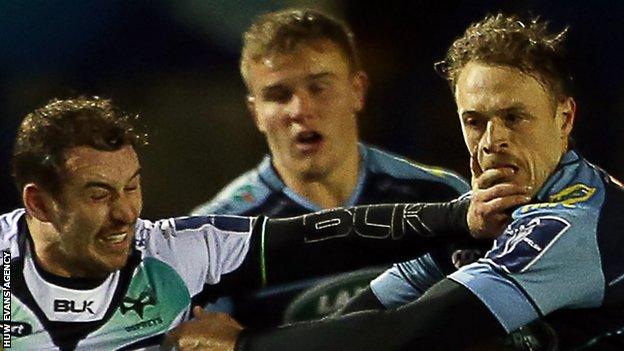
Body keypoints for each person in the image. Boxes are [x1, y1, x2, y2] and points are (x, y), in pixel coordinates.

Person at [165, 13, 624, 351]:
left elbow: (414, 329)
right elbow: (376, 305)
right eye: (475, 120)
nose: (493, 140)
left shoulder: (571, 223)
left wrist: (248, 346)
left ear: (564, 118)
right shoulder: (477, 211)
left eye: (514, 117)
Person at [4, 97, 501, 350]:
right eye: (98, 195)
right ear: (41, 205)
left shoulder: (172, 254)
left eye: (132, 187)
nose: (126, 213)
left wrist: (460, 215)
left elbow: (324, 236)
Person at [191, 8, 472, 327]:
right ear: (255, 113)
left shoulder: (442, 197)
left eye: (319, 87)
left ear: (358, 91)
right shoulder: (216, 238)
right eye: (279, 95)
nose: (300, 109)